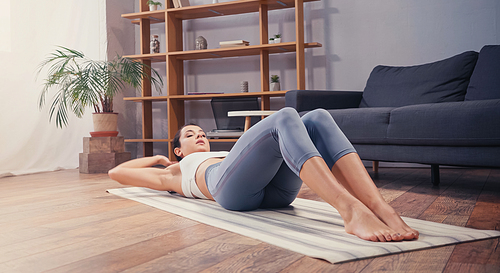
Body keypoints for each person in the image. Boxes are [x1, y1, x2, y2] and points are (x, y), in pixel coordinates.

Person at [109, 108, 419, 242]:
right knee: (284, 116)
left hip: (277, 194)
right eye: (190, 135)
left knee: (318, 118)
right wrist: (156, 158)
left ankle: (380, 207)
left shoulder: (230, 154)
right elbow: (117, 172)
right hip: (230, 192)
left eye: (202, 133)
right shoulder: (174, 171)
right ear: (179, 150)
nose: (200, 136)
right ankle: (350, 210)